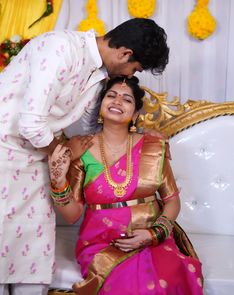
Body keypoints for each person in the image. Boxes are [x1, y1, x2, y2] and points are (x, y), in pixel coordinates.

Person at [0, 18, 169, 295]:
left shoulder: (98, 72)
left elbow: (88, 128)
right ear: (125, 53)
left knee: (34, 256)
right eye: (134, 68)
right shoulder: (61, 49)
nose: (129, 75)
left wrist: (140, 133)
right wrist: (63, 152)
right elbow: (30, 124)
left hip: (37, 159)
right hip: (5, 154)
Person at [48, 76, 203, 295]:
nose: (117, 101)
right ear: (100, 106)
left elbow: (172, 201)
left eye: (126, 99)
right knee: (131, 285)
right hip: (102, 243)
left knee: (165, 276)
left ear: (136, 114)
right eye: (111, 95)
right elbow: (72, 215)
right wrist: (58, 181)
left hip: (152, 238)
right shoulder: (81, 150)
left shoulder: (153, 147)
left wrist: (153, 234)